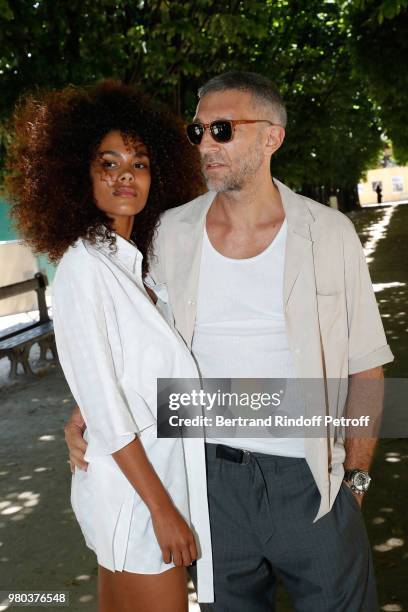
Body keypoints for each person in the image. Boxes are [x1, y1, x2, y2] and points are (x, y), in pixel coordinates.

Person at [66, 71, 393, 611]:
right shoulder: (169, 232)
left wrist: (354, 479)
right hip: (208, 482)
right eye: (197, 133)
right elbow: (127, 340)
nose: (205, 145)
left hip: (313, 483)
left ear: (272, 137)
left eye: (222, 129)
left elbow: (367, 366)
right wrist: (85, 414)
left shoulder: (330, 233)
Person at [5, 80, 214, 611]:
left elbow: (137, 382)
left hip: (147, 484)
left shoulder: (137, 269)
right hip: (139, 497)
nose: (126, 174)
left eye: (140, 163)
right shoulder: (83, 268)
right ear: (79, 174)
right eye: (108, 162)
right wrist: (163, 509)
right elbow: (107, 408)